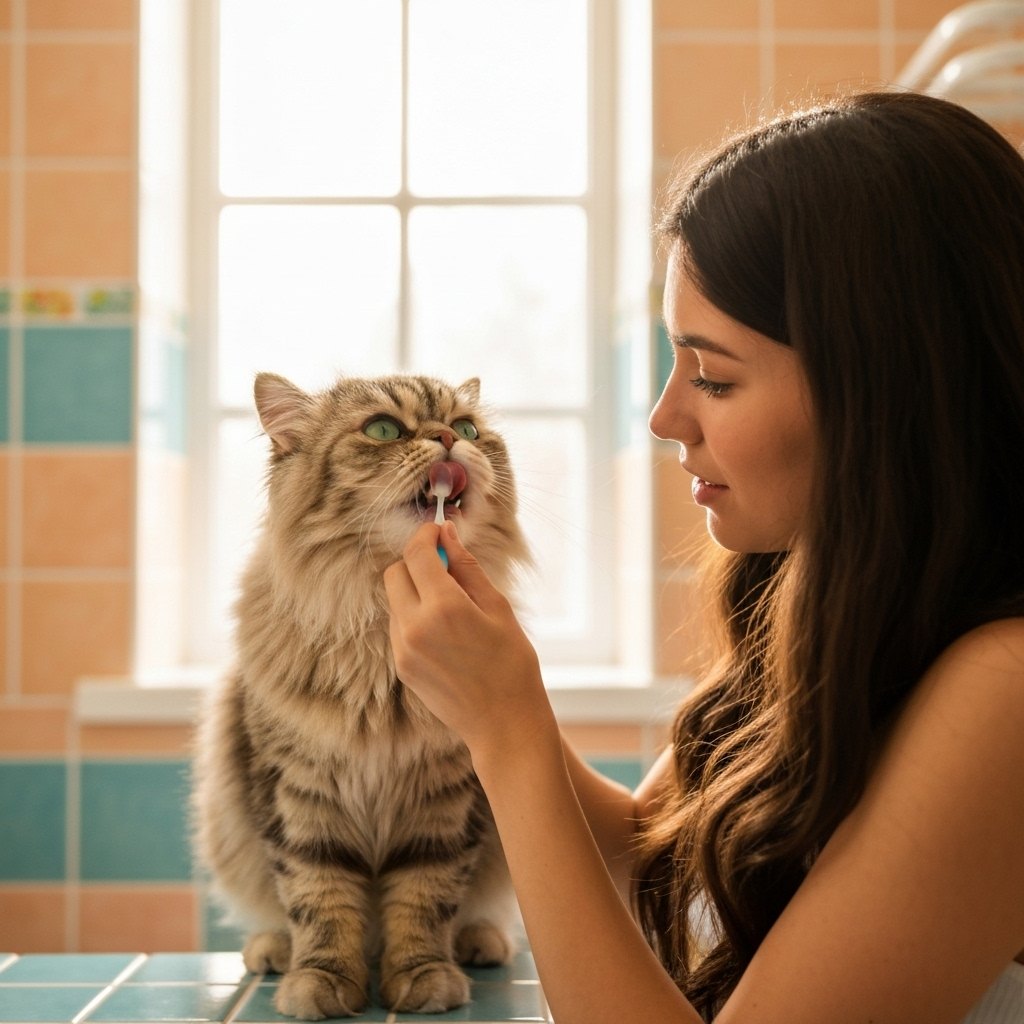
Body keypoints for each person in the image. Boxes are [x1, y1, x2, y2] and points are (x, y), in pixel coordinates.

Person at [383, 90, 1024, 1024]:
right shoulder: (834, 612)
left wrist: (507, 731)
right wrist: (480, 694)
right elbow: (655, 848)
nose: (664, 417)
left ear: (883, 396)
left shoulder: (1004, 689)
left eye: (714, 376)